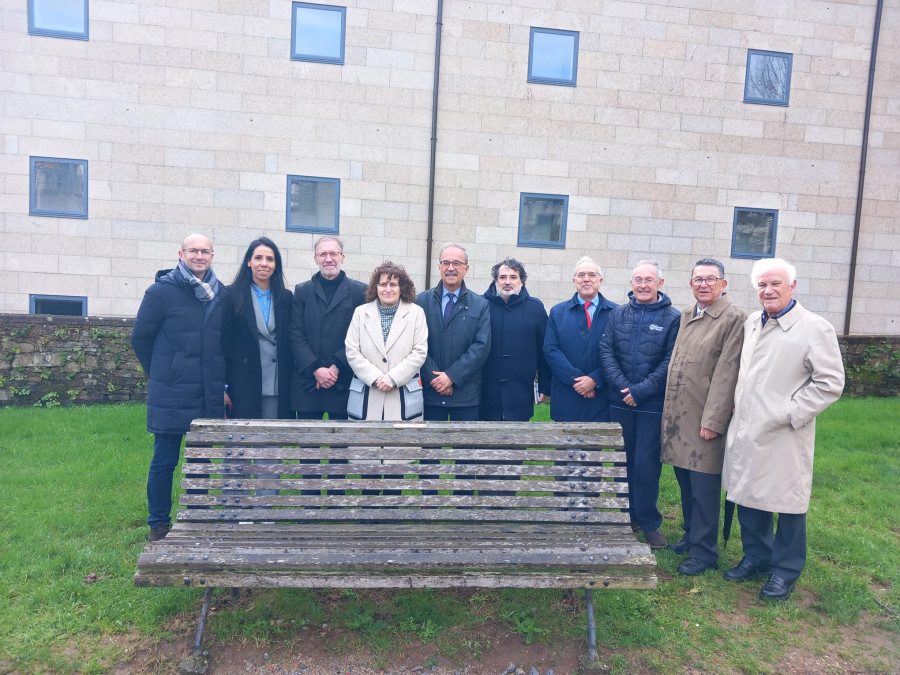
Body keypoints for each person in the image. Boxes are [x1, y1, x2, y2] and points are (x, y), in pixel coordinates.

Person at [722, 258, 844, 600]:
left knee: (788, 502)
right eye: (762, 285)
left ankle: (785, 570)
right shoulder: (752, 323)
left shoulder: (814, 327)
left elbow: (830, 382)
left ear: (792, 286)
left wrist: (788, 412)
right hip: (747, 427)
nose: (768, 290)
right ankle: (757, 556)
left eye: (775, 283)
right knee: (748, 492)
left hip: (786, 432)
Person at [131, 234, 227, 542]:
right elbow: (140, 338)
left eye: (205, 251)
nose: (199, 255)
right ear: (181, 254)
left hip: (207, 390)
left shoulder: (220, 293)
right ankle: (158, 523)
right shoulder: (161, 292)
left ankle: (195, 519)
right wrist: (162, 372)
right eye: (193, 251)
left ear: (212, 255)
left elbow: (223, 344)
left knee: (200, 460)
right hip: (171, 391)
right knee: (164, 460)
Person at [660, 258, 745, 575]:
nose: (704, 284)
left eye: (711, 279)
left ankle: (705, 551)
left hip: (704, 419)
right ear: (691, 283)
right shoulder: (687, 314)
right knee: (686, 483)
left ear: (724, 283)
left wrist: (714, 421)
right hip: (680, 416)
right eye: (698, 279)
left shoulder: (733, 318)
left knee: (704, 487)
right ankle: (691, 535)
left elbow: (727, 373)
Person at [599, 260, 680, 549]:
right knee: (623, 464)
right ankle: (626, 517)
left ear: (660, 282)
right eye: (638, 279)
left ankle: (649, 521)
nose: (643, 285)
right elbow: (606, 351)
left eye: (649, 279)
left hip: (651, 405)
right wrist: (624, 389)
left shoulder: (673, 318)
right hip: (620, 403)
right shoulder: (618, 314)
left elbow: (670, 361)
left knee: (646, 467)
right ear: (631, 283)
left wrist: (641, 391)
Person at [289, 235, 366, 420]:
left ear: (342, 257)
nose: (328, 259)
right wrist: (315, 369)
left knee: (340, 446)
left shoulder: (359, 292)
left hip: (344, 380)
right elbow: (295, 334)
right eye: (323, 254)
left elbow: (361, 336)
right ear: (316, 258)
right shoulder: (302, 291)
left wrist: (336, 366)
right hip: (309, 381)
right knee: (308, 446)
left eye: (333, 253)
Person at [416, 243, 491, 421]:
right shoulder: (421, 301)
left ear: (466, 268)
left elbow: (481, 347)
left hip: (466, 394)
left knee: (464, 448)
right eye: (446, 263)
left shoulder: (480, 305)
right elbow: (415, 344)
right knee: (429, 448)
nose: (451, 268)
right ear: (439, 267)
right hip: (430, 392)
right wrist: (435, 378)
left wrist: (452, 376)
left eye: (456, 263)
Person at [345, 262, 428, 421]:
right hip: (368, 394)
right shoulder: (361, 313)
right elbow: (352, 351)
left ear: (401, 288)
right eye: (383, 284)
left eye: (393, 284)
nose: (388, 289)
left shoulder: (416, 313)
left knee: (400, 444)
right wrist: (376, 378)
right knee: (366, 443)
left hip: (402, 396)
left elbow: (419, 352)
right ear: (375, 287)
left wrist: (393, 378)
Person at [223, 237, 294, 420]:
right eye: (258, 258)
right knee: (239, 444)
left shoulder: (286, 298)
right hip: (240, 383)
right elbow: (222, 344)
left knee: (269, 444)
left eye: (270, 259)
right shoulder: (230, 295)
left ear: (276, 265)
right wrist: (222, 387)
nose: (264, 264)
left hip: (275, 385)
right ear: (249, 262)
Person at [543, 256, 618, 422]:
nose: (586, 279)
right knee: (564, 446)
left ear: (600, 279)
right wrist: (577, 380)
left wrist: (594, 380)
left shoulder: (616, 313)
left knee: (594, 447)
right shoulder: (558, 312)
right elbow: (551, 350)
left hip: (600, 398)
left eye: (591, 275)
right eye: (581, 275)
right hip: (566, 396)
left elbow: (619, 353)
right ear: (574, 280)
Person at [480, 258, 551, 421]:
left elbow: (543, 350)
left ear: (522, 281)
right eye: (502, 277)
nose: (507, 282)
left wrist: (544, 385)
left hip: (521, 389)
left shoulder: (535, 308)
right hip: (485, 389)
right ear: (495, 281)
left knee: (517, 442)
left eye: (513, 277)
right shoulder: (481, 304)